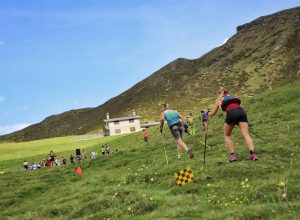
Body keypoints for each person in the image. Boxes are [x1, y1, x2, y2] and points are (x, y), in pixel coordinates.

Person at [208, 87, 258, 162]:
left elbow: (213, 113)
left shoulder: (220, 99)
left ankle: (233, 156)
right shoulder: (233, 97)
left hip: (231, 113)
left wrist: (207, 113)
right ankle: (253, 154)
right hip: (242, 113)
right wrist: (238, 119)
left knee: (227, 135)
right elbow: (242, 107)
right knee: (246, 134)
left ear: (219, 93)